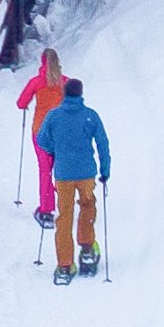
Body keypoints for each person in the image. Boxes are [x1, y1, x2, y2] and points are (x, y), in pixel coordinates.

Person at [34, 79, 111, 283]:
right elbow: (102, 142)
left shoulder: (53, 116)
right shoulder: (90, 115)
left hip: (63, 174)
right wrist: (105, 170)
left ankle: (65, 264)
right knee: (87, 207)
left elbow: (41, 140)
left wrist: (54, 150)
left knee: (64, 216)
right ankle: (87, 249)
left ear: (64, 93)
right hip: (86, 172)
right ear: (81, 94)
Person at [17, 49, 67, 225]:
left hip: (41, 132)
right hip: (60, 133)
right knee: (60, 171)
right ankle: (65, 206)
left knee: (45, 171)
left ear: (42, 62)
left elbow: (21, 102)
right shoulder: (64, 82)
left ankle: (46, 211)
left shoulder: (37, 82)